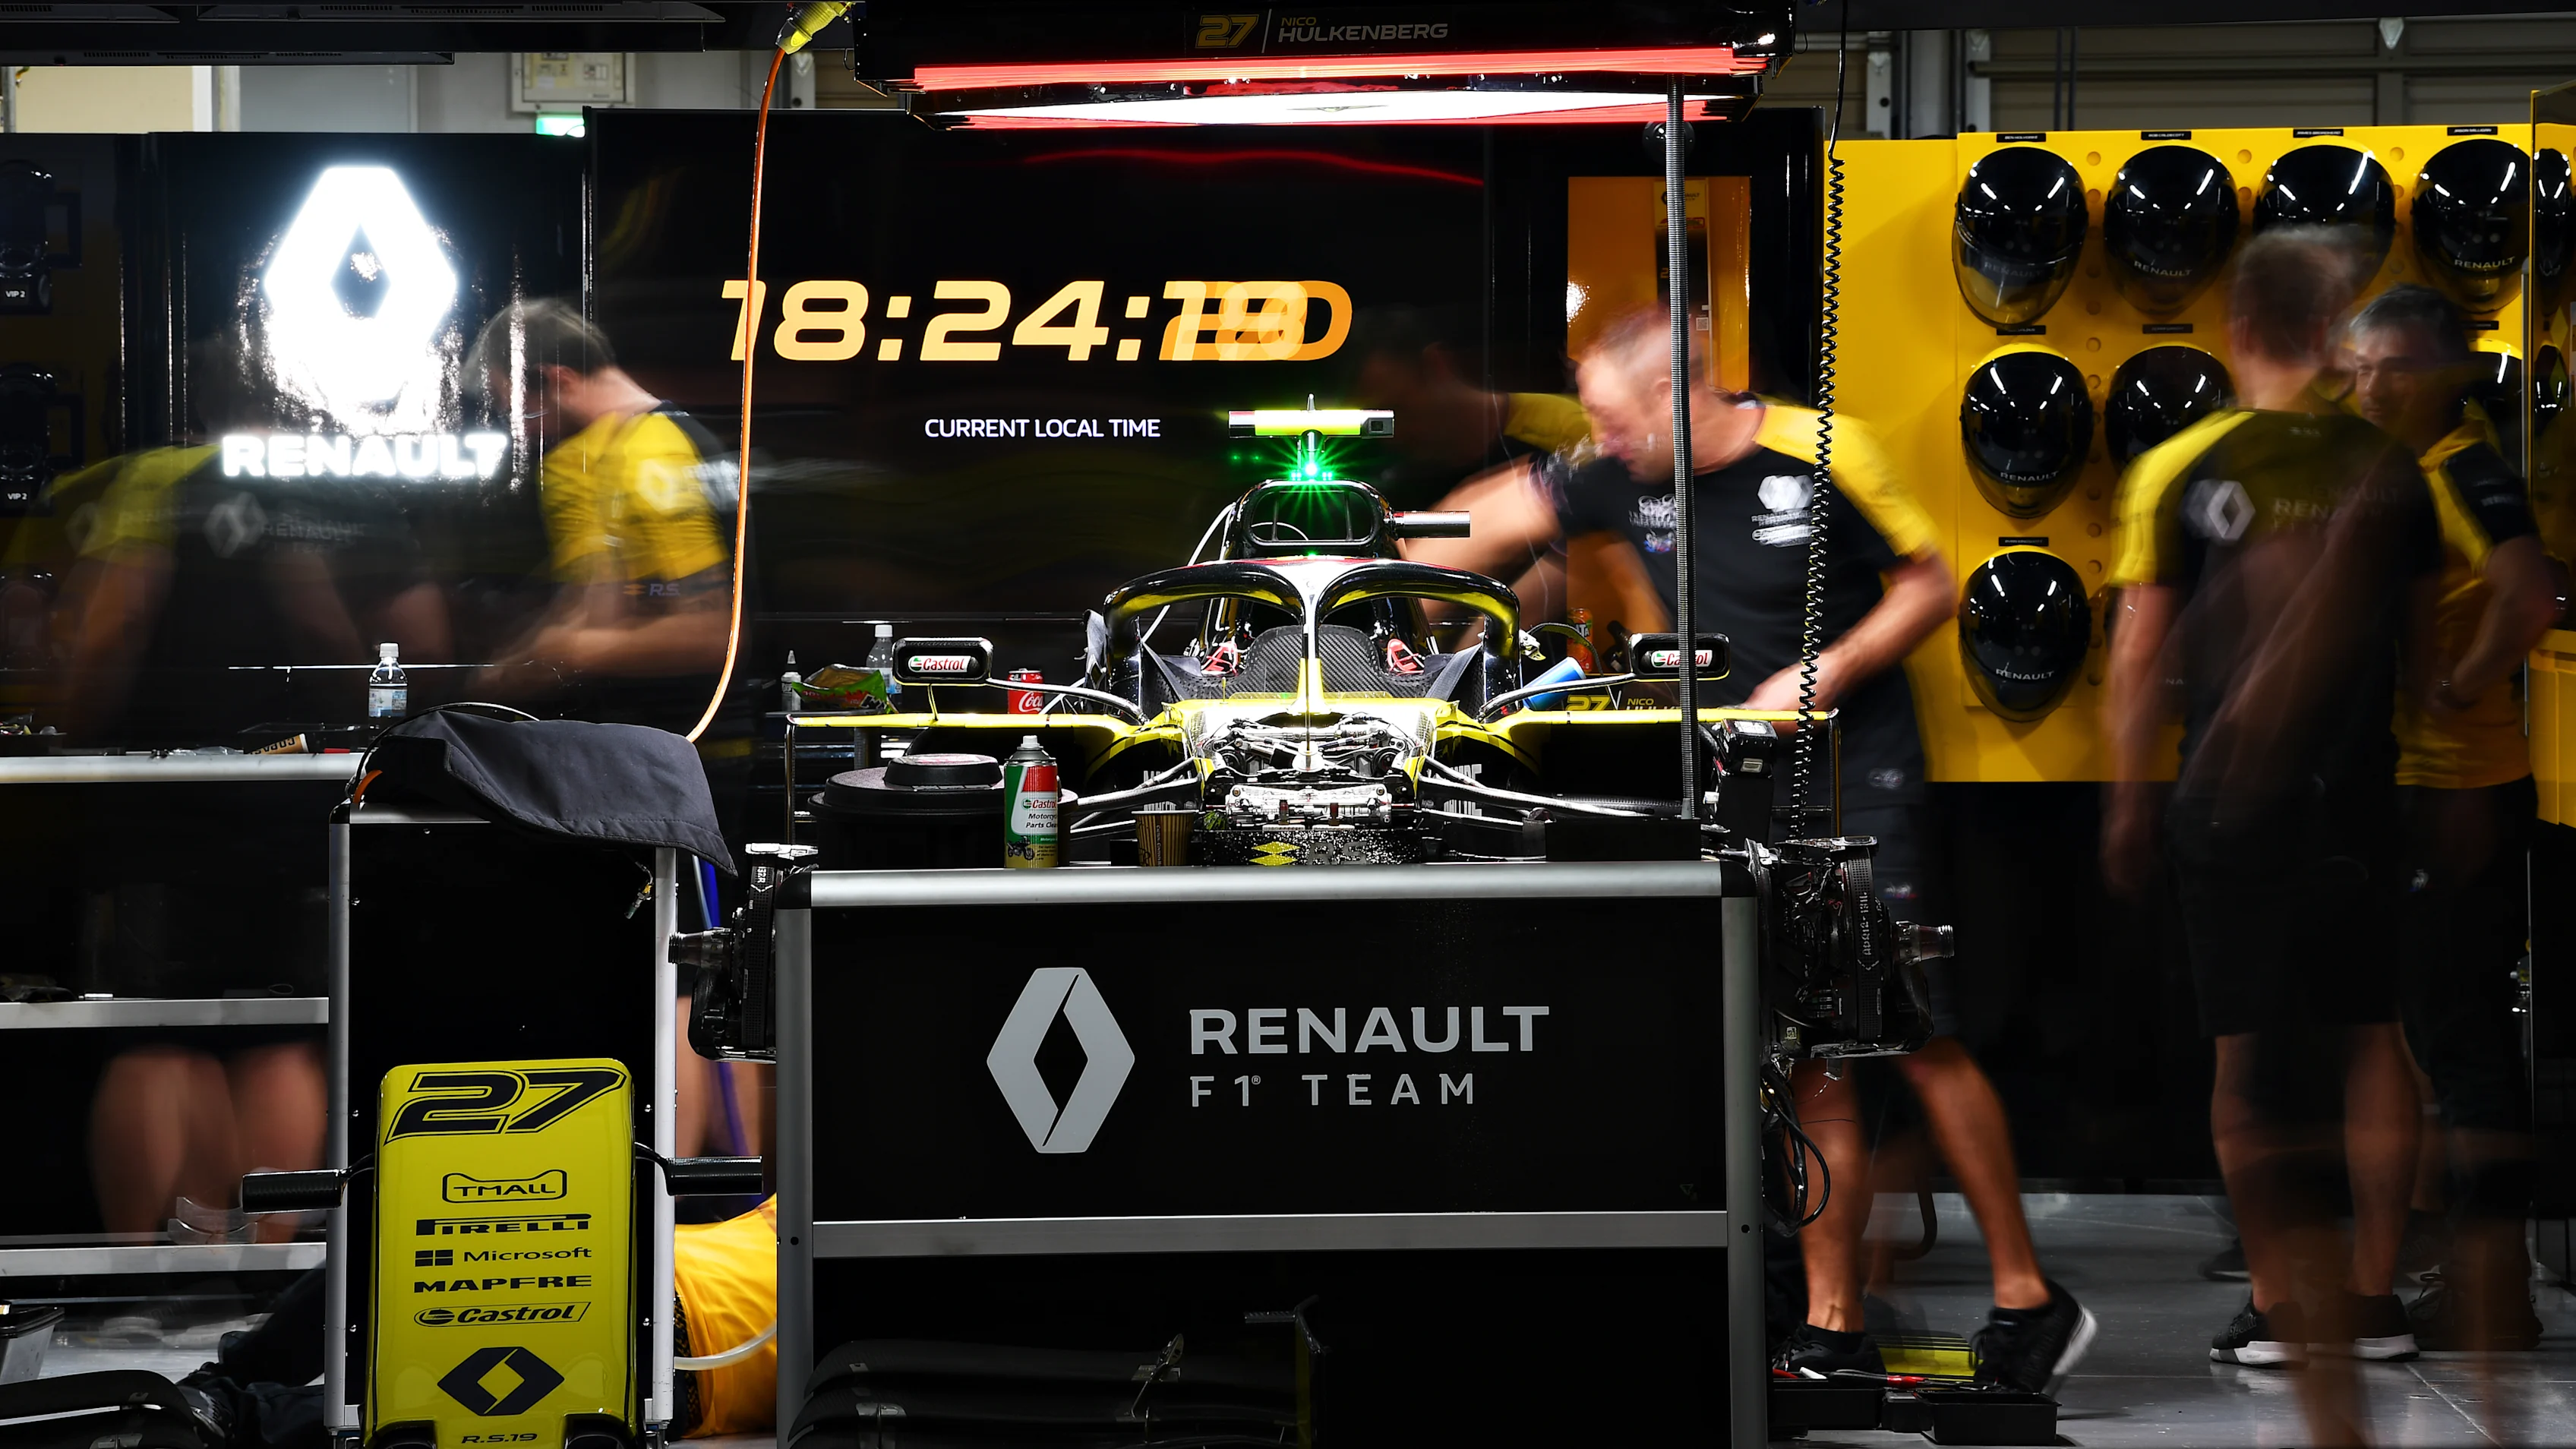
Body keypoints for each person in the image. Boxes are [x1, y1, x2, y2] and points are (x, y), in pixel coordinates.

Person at [1406, 306, 2095, 1394]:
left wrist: (1816, 679)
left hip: (1856, 771)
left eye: (1615, 418)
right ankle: (1834, 1325)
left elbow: (1930, 585)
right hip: (1745, 785)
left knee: (1918, 1037)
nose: (1602, 439)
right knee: (1801, 1051)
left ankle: (2028, 1293)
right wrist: (1402, 585)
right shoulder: (1626, 469)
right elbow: (1471, 523)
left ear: (1685, 398)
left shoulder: (1825, 452)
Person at [2104, 230, 2440, 1438]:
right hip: (2357, 799)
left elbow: (2142, 655)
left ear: (2237, 326)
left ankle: (2272, 1304)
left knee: (2243, 1060)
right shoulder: (2394, 470)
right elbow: (2430, 657)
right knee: (2370, 1040)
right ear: (2333, 327)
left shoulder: (2183, 469)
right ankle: (2374, 1295)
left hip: (2227, 810)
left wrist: (2128, 799)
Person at [2345, 285, 2560, 1353]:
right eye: (2358, 365)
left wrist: (2462, 685)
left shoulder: (2465, 473)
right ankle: (2462, 1272)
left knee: (2464, 1044)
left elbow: (2529, 593)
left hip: (2459, 797)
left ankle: (2494, 1294)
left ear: (2433, 373)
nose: (2366, 384)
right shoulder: (2420, 471)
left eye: (2386, 367)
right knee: (2433, 1042)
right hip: (2428, 793)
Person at [468, 298, 732, 730]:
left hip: (689, 743)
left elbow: (711, 634)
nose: (525, 430)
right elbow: (595, 604)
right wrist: (501, 674)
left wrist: (568, 650)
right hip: (633, 735)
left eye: (522, 411)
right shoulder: (592, 454)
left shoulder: (654, 454)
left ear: (560, 380)